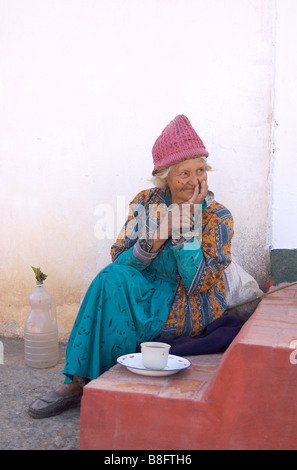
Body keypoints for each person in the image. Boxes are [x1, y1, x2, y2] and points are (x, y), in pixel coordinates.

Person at [28, 115, 241, 419]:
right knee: (111, 278)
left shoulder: (218, 217)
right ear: (164, 176)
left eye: (200, 171)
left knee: (123, 306)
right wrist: (157, 235)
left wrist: (184, 229)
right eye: (184, 173)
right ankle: (76, 381)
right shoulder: (146, 201)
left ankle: (103, 386)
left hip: (187, 304)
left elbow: (198, 283)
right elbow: (121, 258)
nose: (195, 181)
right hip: (146, 290)